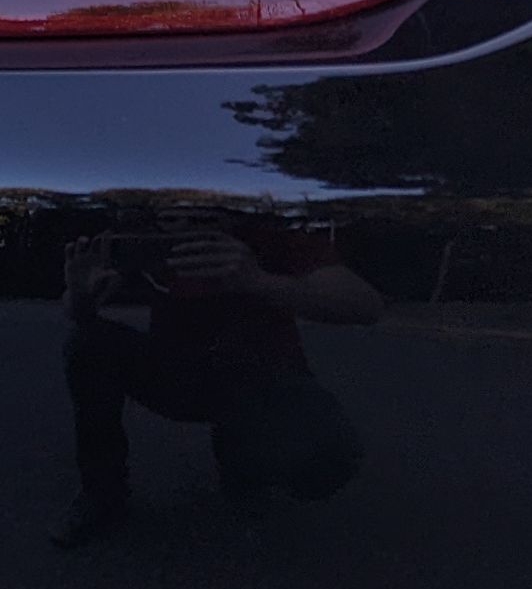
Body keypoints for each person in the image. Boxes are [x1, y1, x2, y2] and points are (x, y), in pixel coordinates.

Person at [57, 212, 379, 544]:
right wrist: (80, 293)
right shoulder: (143, 240)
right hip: (181, 375)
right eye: (174, 216)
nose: (187, 226)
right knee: (87, 344)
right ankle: (102, 492)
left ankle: (246, 459)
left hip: (261, 380)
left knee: (329, 453)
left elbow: (366, 305)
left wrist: (259, 280)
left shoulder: (265, 235)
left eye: (201, 217)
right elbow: (79, 309)